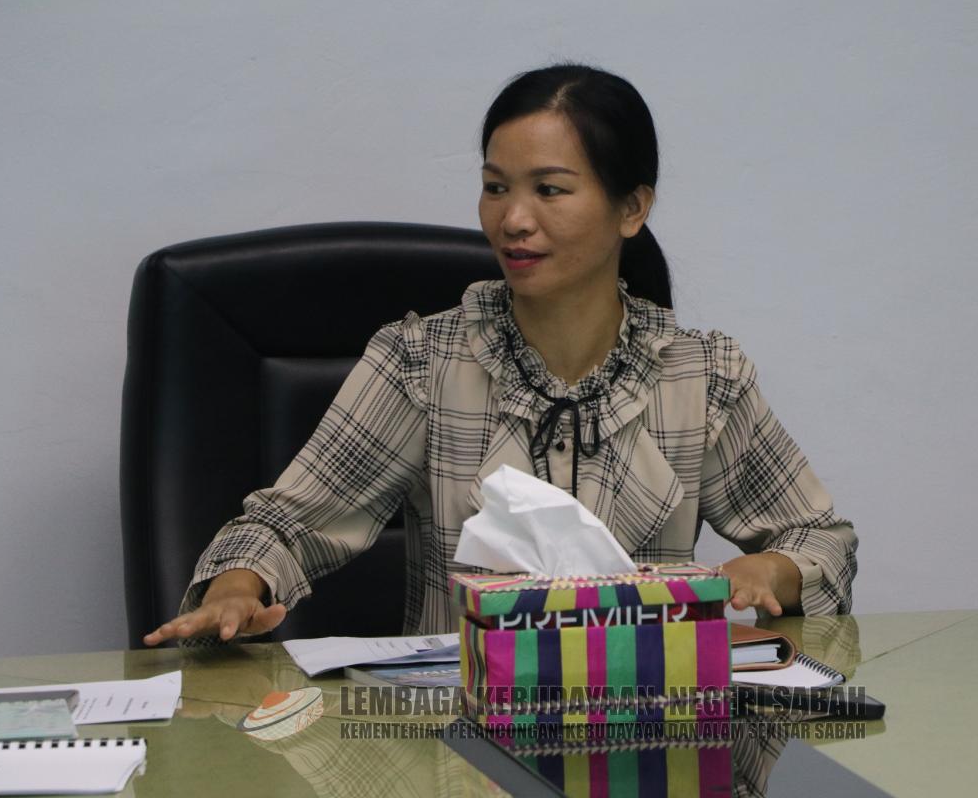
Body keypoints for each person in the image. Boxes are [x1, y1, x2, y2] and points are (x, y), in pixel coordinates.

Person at [144, 63, 857, 647]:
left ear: (632, 208)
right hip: (460, 740)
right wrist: (237, 588)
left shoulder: (701, 377)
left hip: (644, 729)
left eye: (549, 190)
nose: (513, 219)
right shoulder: (422, 363)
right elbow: (287, 525)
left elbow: (820, 539)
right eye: (494, 188)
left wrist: (774, 570)